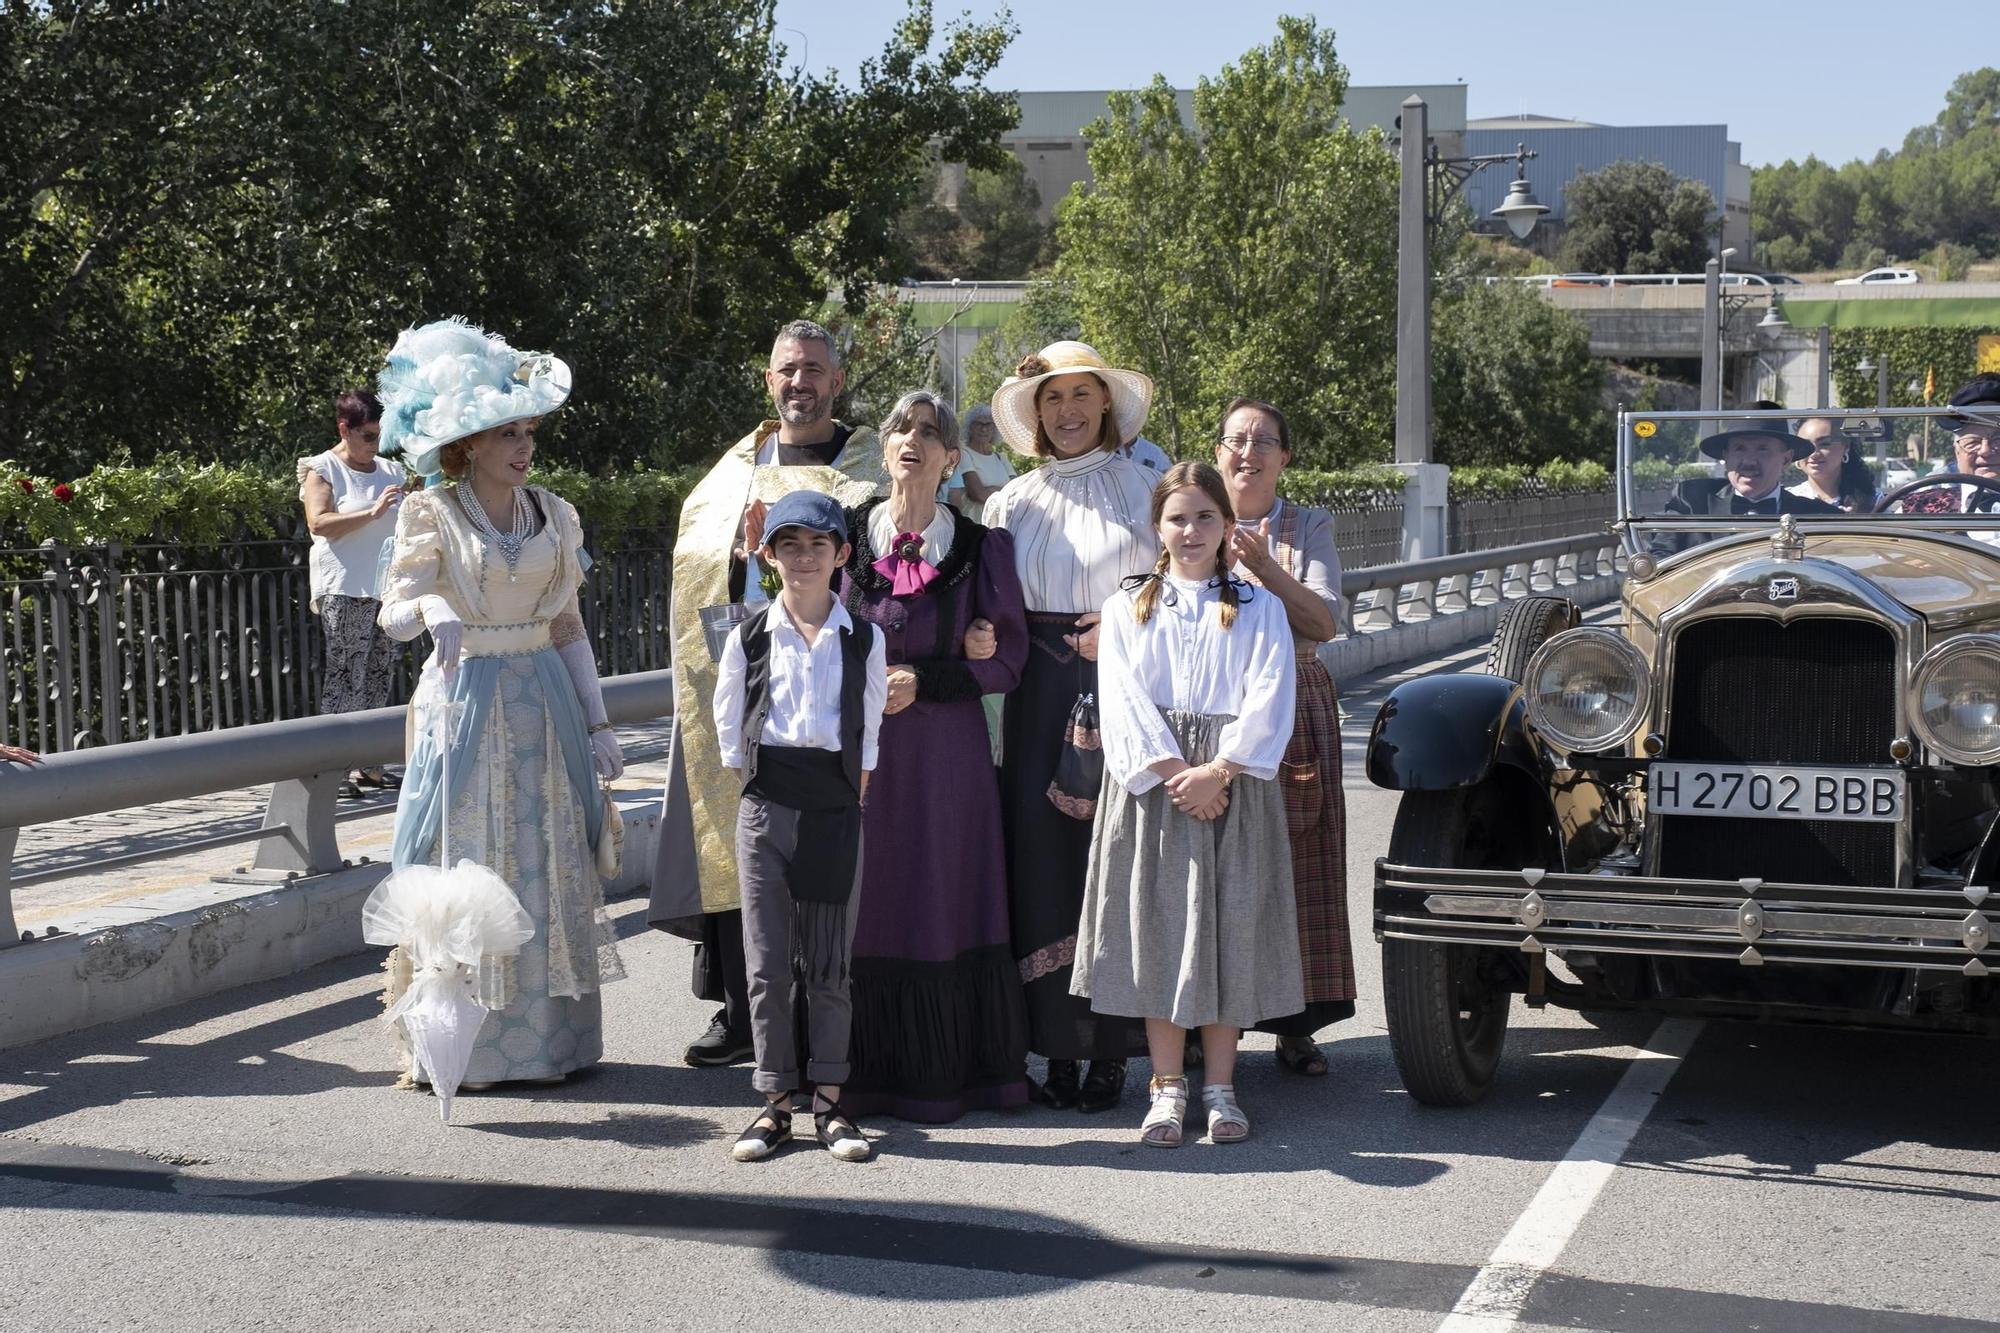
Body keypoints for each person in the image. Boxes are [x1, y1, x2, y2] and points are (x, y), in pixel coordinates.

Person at [374, 318, 626, 1088]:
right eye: (505, 432)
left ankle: (554, 1044)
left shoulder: (554, 511)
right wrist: (433, 613)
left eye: (528, 431)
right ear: (467, 444)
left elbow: (567, 623)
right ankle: (462, 1049)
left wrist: (599, 719)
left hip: (541, 702)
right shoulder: (433, 512)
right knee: (465, 856)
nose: (523, 445)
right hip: (465, 703)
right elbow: (394, 606)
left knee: (546, 858)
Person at [649, 320, 890, 1071]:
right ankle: (739, 1009)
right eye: (788, 370)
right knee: (739, 837)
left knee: (828, 867)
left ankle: (834, 1024)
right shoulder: (737, 466)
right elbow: (701, 561)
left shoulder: (868, 465)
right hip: (751, 670)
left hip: (833, 685)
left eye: (815, 370)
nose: (800, 383)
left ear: (838, 381)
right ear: (768, 379)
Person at [1072, 460, 1300, 1148]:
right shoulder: (1128, 606)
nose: (1192, 530)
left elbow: (1270, 692)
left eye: (1206, 516)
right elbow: (1123, 699)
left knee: (1226, 928)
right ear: (1158, 528)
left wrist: (1220, 769)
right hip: (1156, 783)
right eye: (1178, 517)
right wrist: (1180, 774)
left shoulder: (1261, 609)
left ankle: (1222, 1085)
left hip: (1233, 782)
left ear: (1228, 526)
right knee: (1161, 931)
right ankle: (1166, 1087)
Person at [839, 390, 1032, 1123]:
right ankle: (851, 1072)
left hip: (948, 762)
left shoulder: (982, 549)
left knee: (939, 905)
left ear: (953, 457)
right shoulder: (847, 539)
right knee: (869, 903)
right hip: (864, 761)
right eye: (900, 428)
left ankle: (949, 1072)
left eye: (929, 431)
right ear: (884, 447)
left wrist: (933, 676)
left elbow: (1010, 661)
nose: (912, 438)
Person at [983, 340, 1160, 1113]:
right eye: (1052, 399)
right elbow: (988, 604)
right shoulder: (1009, 505)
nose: (1068, 411)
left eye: (1082, 394)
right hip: (1037, 694)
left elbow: (1186, 592)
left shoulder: (1151, 488)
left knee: (1116, 861)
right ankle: (1055, 1043)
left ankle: (1116, 1049)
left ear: (1108, 405)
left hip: (1126, 690)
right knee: (1042, 863)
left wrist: (1120, 626)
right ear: (1037, 415)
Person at [714, 490, 887, 1163]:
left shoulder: (865, 637)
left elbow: (868, 735)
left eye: (818, 544)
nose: (804, 557)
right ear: (770, 555)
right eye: (790, 544)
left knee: (829, 963)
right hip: (767, 806)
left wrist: (843, 800)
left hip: (835, 806)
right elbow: (733, 732)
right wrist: (764, 797)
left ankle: (831, 1103)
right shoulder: (749, 634)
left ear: (842, 554)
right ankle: (775, 1102)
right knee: (765, 963)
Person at [1212, 399, 1356, 1075]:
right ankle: (1205, 1027)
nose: (1248, 452)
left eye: (1264, 441)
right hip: (1208, 708)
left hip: (1295, 700)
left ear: (1284, 457)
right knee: (1210, 868)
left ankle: (1295, 1024)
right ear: (1217, 453)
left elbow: (1325, 622)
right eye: (1236, 440)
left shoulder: (1308, 524)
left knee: (1297, 866)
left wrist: (1267, 568)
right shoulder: (1190, 515)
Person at [301, 388, 406, 797]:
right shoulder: (322, 468)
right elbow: (319, 522)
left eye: (379, 436)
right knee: (345, 675)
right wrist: (372, 513)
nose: (374, 444)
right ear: (344, 429)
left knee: (379, 673)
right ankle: (332, 770)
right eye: (367, 436)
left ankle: (370, 766)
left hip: (385, 588)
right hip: (344, 587)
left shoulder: (391, 471)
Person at [1787, 415, 1876, 512]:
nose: (1814, 454)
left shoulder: (1873, 500)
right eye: (1806, 445)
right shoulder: (1786, 499)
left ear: (1846, 446)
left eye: (1824, 444)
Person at [947, 404, 1013, 520]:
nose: (984, 429)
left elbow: (1017, 492)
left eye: (989, 425)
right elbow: (978, 494)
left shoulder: (1001, 458)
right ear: (970, 428)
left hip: (1002, 522)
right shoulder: (963, 454)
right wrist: (1003, 491)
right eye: (978, 424)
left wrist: (991, 490)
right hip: (977, 524)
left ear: (995, 429)